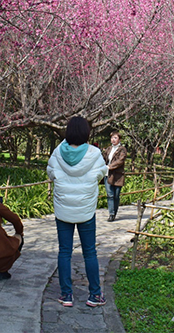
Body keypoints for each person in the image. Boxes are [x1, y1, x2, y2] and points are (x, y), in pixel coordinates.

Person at [47, 116, 109, 308]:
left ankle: (66, 295)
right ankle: (95, 295)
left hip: (63, 209)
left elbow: (51, 173)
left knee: (64, 252)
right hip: (86, 210)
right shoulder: (94, 153)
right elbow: (101, 174)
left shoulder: (58, 152)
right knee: (89, 252)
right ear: (86, 132)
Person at [101, 130, 127, 222]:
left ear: (119, 139)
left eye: (115, 138)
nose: (113, 139)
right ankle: (111, 214)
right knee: (110, 195)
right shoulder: (108, 149)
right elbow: (103, 159)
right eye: (112, 138)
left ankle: (114, 212)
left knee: (116, 195)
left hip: (117, 176)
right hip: (107, 174)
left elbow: (120, 161)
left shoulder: (122, 149)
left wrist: (110, 166)